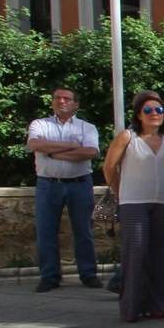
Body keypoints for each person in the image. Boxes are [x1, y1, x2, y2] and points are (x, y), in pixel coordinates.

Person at [102, 90, 164, 323]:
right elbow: (109, 167)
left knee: (159, 256)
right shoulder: (127, 137)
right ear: (139, 115)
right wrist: (121, 193)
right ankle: (131, 308)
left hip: (163, 202)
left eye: (159, 110)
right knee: (135, 255)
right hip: (133, 203)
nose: (154, 113)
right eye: (148, 110)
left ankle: (157, 306)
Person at [26, 86, 102, 292]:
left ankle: (88, 274)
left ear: (76, 104)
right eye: (57, 98)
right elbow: (36, 145)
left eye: (67, 99)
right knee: (46, 232)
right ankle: (50, 276)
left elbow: (90, 152)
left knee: (84, 232)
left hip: (79, 184)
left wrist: (53, 152)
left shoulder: (87, 128)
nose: (61, 101)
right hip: (48, 184)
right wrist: (74, 146)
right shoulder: (39, 124)